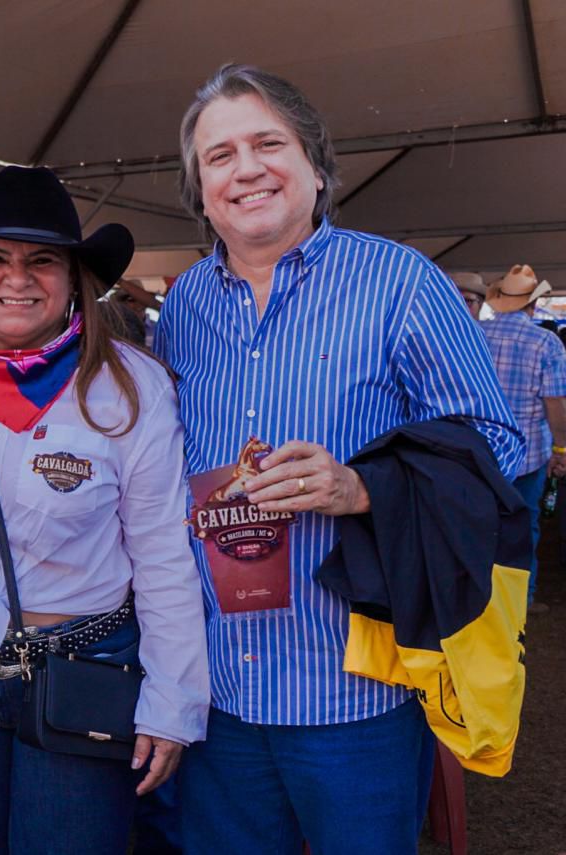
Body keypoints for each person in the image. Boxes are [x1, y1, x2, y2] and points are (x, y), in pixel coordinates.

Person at [154, 65, 523, 854]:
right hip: (218, 690)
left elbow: (500, 447)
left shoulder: (401, 284)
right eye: (219, 156)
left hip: (355, 689)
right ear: (200, 190)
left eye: (267, 143)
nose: (246, 168)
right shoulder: (183, 305)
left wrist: (363, 486)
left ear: (315, 166)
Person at [0, 165, 208, 853]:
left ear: (75, 278)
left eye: (42, 261)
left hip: (82, 668)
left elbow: (163, 554)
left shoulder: (129, 386)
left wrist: (173, 701)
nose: (17, 278)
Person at [480, 264, 566, 614]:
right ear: (533, 305)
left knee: (478, 523)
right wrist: (561, 448)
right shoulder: (546, 342)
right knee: (523, 524)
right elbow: (555, 403)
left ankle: (477, 595)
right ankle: (519, 600)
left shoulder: (474, 333)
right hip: (527, 451)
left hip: (478, 451)